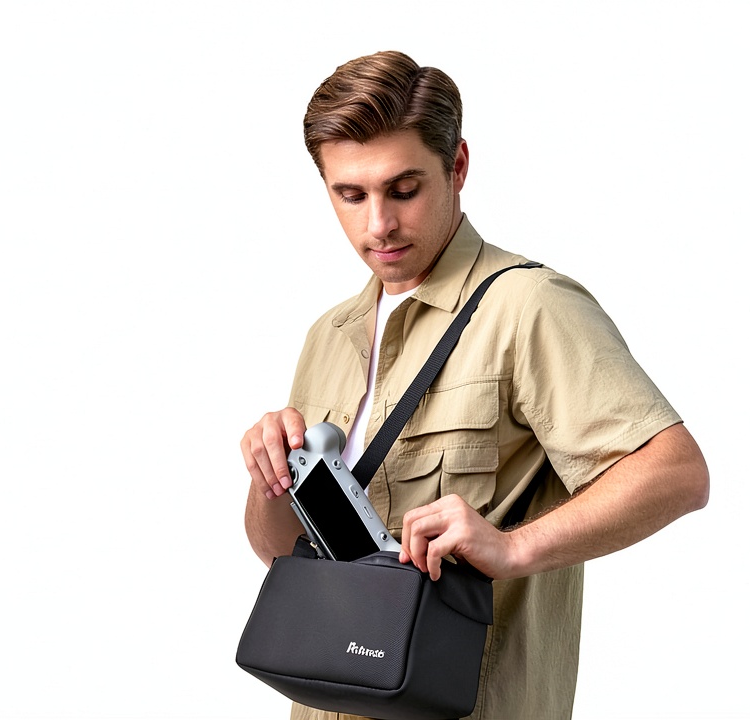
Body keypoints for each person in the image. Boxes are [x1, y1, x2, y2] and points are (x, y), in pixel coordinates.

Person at [241, 50, 710, 720]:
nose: (378, 224)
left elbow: (677, 473)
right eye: (351, 195)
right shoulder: (328, 335)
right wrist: (270, 476)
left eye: (404, 189)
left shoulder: (528, 307)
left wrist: (514, 547)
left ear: (457, 166)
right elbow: (280, 555)